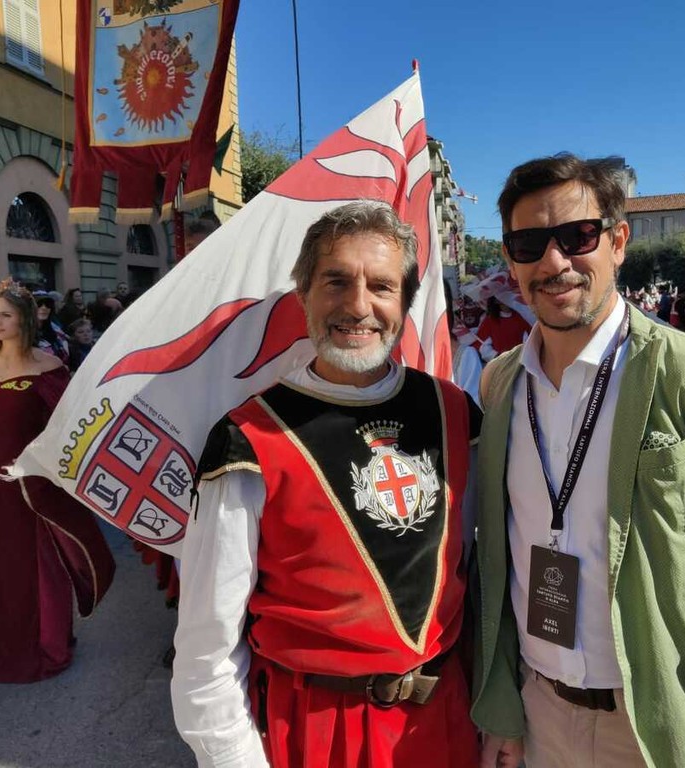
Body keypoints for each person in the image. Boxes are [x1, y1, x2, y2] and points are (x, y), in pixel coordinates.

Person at [473, 154, 685, 768]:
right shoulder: (500, 385)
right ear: (510, 259)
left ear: (617, 243)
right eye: (529, 244)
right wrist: (503, 706)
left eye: (577, 236)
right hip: (539, 715)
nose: (553, 262)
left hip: (666, 728)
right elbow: (500, 563)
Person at [171, 201, 480, 768]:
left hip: (444, 716)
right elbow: (207, 639)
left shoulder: (453, 410)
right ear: (304, 295)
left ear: (405, 303)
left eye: (381, 286)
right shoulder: (248, 437)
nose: (358, 306)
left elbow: (476, 566)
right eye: (336, 281)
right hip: (319, 729)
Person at [0, 280, 115, 683]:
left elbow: (66, 429)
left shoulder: (48, 368)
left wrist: (38, 463)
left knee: (38, 566)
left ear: (25, 320)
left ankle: (47, 643)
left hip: (32, 485)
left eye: (6, 315)